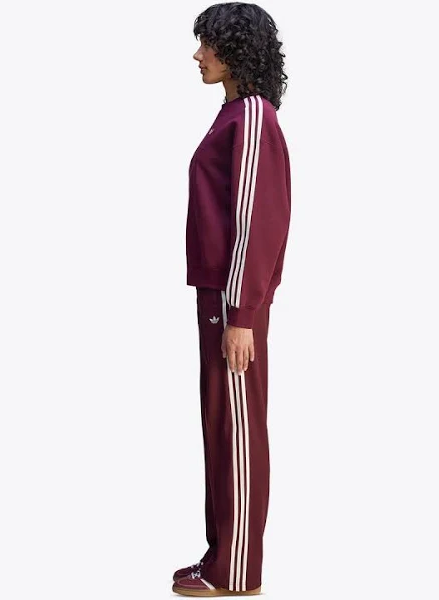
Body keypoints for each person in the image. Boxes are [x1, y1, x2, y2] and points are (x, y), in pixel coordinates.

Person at [172, 3, 291, 596]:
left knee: (238, 430)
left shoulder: (252, 118)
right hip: (217, 298)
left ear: (237, 50)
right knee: (221, 426)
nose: (198, 56)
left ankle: (237, 572)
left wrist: (242, 315)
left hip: (232, 302)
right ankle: (221, 554)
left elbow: (257, 220)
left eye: (209, 45)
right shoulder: (234, 116)